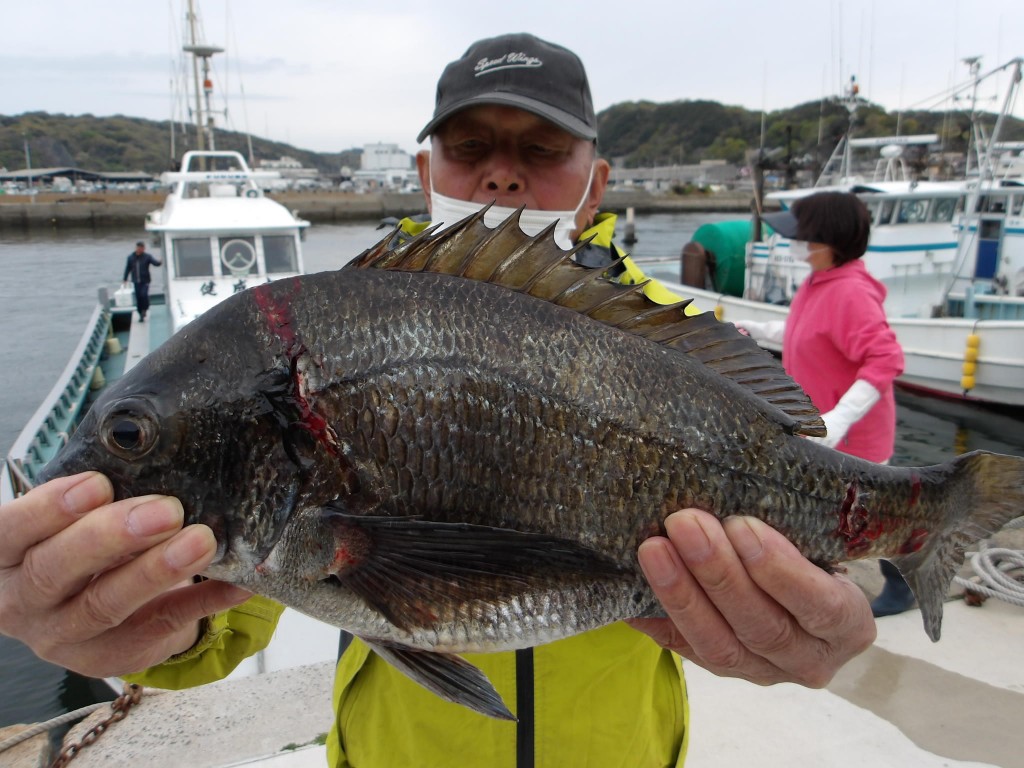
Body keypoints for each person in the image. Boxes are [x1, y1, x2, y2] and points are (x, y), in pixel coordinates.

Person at [0, 34, 876, 768]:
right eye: (472, 148)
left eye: (541, 150)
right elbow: (235, 612)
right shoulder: (331, 341)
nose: (503, 177)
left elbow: (778, 509)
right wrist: (145, 617)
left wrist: (808, 619)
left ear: (597, 181)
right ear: (426, 170)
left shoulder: (674, 349)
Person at [738, 191, 913, 618]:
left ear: (828, 240)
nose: (794, 243)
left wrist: (840, 419)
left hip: (853, 435)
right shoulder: (819, 280)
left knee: (871, 512)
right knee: (828, 509)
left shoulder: (851, 292)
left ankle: (903, 581)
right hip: (819, 426)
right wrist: (752, 330)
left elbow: (886, 358)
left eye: (802, 236)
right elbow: (805, 330)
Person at [122, 240, 162, 322]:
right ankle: (140, 314)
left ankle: (145, 309)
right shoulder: (131, 258)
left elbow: (155, 263)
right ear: (137, 248)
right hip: (136, 281)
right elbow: (127, 269)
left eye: (142, 248)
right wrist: (125, 279)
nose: (141, 249)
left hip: (145, 280)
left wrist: (160, 262)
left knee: (144, 295)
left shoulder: (147, 257)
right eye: (139, 248)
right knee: (138, 297)